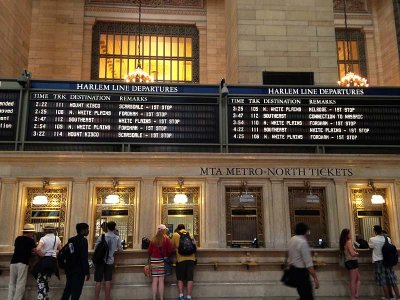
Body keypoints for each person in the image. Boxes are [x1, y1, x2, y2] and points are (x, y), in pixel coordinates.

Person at [287, 222, 319, 300]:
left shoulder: (292, 239)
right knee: (307, 296)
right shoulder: (303, 242)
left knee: (302, 294)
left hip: (293, 271)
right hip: (301, 273)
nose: (309, 233)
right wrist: (315, 278)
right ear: (305, 231)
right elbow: (308, 263)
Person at [369, 225, 400, 300]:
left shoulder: (372, 239)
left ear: (375, 231)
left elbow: (370, 247)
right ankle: (398, 297)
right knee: (392, 278)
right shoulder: (388, 239)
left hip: (379, 261)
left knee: (383, 280)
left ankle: (387, 297)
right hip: (388, 260)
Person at [94, 221, 123, 300]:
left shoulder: (102, 236)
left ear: (107, 227)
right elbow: (120, 249)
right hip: (110, 261)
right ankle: (107, 298)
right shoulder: (116, 237)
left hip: (100, 261)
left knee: (98, 281)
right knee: (108, 280)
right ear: (114, 228)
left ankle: (96, 298)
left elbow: (96, 247)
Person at [61, 223, 90, 300]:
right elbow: (84, 257)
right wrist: (87, 271)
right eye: (87, 229)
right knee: (76, 291)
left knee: (68, 289)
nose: (88, 231)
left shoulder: (71, 240)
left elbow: (70, 253)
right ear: (83, 230)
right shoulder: (83, 241)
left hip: (70, 269)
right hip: (79, 270)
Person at [7, 223, 37, 300]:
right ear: (30, 232)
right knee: (20, 283)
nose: (33, 234)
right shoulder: (31, 240)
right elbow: (35, 250)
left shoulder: (18, 238)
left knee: (12, 283)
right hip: (23, 263)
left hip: (13, 262)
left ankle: (10, 298)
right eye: (33, 232)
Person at [35, 224, 62, 300]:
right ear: (53, 230)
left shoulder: (43, 239)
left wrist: (42, 255)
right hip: (53, 262)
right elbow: (60, 249)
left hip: (45, 262)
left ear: (45, 230)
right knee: (45, 280)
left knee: (41, 280)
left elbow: (38, 249)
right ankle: (46, 297)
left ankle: (41, 297)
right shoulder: (57, 238)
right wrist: (54, 252)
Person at [147, 224, 174, 300]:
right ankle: (161, 298)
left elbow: (149, 251)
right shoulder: (166, 239)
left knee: (154, 281)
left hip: (154, 261)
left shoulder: (153, 239)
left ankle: (154, 298)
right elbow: (170, 250)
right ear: (164, 230)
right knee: (161, 281)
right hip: (162, 261)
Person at [171, 224, 196, 300]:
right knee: (190, 278)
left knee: (180, 278)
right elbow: (196, 247)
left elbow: (171, 246)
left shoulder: (175, 235)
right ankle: (189, 296)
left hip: (181, 259)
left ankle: (181, 296)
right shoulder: (190, 235)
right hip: (191, 259)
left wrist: (176, 248)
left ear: (178, 229)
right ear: (184, 229)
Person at [339, 228, 360, 300]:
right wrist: (357, 253)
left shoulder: (345, 242)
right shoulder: (348, 242)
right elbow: (352, 254)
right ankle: (353, 297)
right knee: (353, 280)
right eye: (349, 233)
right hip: (352, 261)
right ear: (347, 235)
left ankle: (356, 294)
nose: (351, 234)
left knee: (357, 279)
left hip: (350, 261)